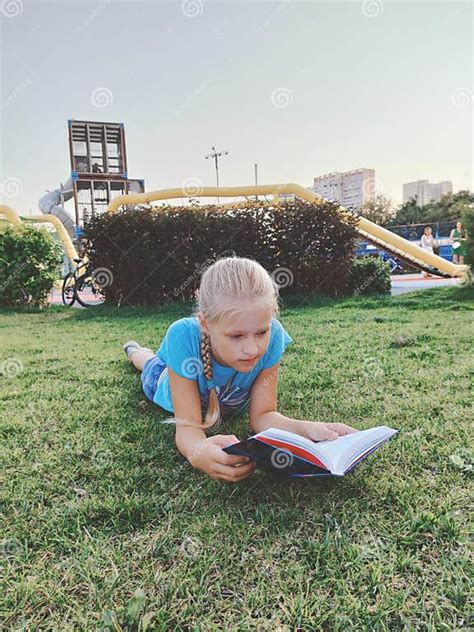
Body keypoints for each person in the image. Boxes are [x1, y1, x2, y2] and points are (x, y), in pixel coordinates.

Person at [123, 256, 358, 483]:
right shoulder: (183, 335)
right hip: (162, 382)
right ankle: (135, 351)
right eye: (236, 336)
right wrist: (199, 452)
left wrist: (307, 429)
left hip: (215, 398)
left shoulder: (274, 335)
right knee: (149, 364)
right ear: (205, 324)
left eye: (261, 333)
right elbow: (188, 427)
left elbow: (263, 416)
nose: (252, 349)